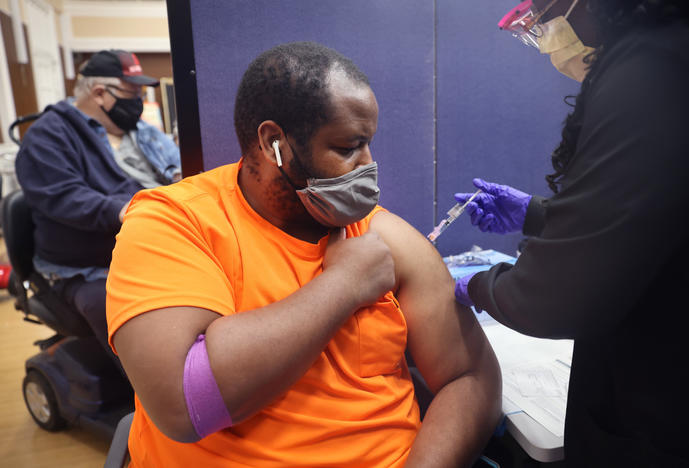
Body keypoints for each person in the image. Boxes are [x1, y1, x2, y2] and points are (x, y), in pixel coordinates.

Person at [106, 42, 501, 467]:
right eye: (348, 147)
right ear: (274, 143)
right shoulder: (175, 223)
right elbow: (184, 404)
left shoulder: (384, 238)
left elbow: (472, 376)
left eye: (368, 144)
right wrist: (344, 285)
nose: (368, 166)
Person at [454, 1, 689, 466]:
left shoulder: (652, 71)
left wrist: (477, 286)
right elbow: (651, 220)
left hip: (665, 406)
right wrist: (534, 214)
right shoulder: (676, 49)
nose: (545, 27)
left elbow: (555, 297)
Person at [14, 49, 181, 369]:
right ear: (100, 93)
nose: (138, 101)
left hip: (150, 246)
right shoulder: (48, 135)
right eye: (131, 93)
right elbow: (64, 197)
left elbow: (176, 169)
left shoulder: (140, 131)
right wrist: (127, 210)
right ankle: (155, 395)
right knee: (126, 313)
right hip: (86, 267)